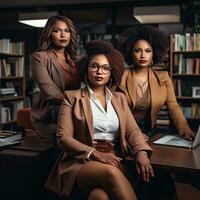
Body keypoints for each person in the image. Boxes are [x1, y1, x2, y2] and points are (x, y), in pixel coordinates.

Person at [45, 40, 154, 200]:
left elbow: (133, 131)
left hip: (116, 159)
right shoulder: (72, 97)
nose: (99, 72)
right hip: (81, 162)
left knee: (99, 196)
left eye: (105, 68)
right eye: (94, 66)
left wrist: (141, 153)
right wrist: (95, 154)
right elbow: (63, 138)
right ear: (86, 69)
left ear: (111, 72)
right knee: (109, 172)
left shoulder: (120, 98)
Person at [116, 25, 195, 199]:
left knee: (161, 177)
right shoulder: (121, 76)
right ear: (131, 52)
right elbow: (113, 108)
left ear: (154, 53)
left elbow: (173, 107)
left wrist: (185, 130)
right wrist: (129, 136)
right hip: (126, 134)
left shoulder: (164, 77)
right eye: (138, 51)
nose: (143, 55)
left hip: (152, 133)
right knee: (138, 177)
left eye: (147, 51)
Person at [30, 15, 81, 142]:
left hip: (73, 110)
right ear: (49, 34)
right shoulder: (40, 57)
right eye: (57, 31)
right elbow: (50, 93)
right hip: (49, 114)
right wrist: (80, 101)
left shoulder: (76, 60)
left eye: (67, 31)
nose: (63, 35)